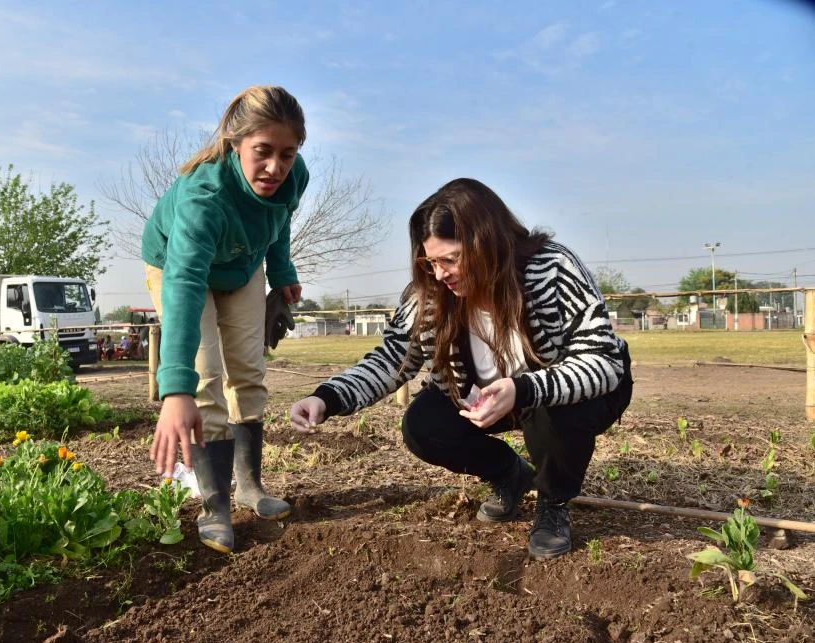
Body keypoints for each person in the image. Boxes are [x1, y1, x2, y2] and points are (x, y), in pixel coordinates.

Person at [289, 178, 632, 559]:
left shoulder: (551, 270)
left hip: (567, 393)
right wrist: (327, 397)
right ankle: (510, 475)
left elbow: (603, 359)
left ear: (487, 243)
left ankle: (553, 502)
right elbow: (391, 358)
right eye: (430, 262)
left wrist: (525, 388)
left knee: (555, 407)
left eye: (450, 259)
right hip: (489, 397)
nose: (440, 274)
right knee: (424, 426)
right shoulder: (430, 295)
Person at [142, 85, 308, 554]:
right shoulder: (204, 198)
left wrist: (283, 272)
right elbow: (185, 284)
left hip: (240, 265)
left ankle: (250, 487)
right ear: (235, 144)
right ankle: (215, 506)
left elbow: (279, 219)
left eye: (287, 153)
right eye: (262, 152)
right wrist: (175, 388)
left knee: (249, 370)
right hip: (178, 267)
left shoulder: (294, 177)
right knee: (206, 375)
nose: (275, 167)